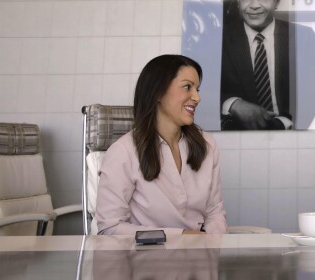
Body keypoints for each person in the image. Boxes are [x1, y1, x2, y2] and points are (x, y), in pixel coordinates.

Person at [95, 54, 226, 236]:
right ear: (158, 92)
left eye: (197, 89)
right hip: (145, 260)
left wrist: (213, 247)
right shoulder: (123, 152)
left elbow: (214, 213)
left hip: (198, 259)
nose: (197, 97)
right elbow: (110, 228)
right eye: (187, 87)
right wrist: (180, 236)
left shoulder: (207, 145)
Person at [220, 0, 315, 130]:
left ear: (277, 1)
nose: (254, 5)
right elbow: (203, 88)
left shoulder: (302, 37)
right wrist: (233, 104)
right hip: (235, 132)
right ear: (238, 1)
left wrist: (285, 123)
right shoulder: (219, 39)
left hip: (289, 131)